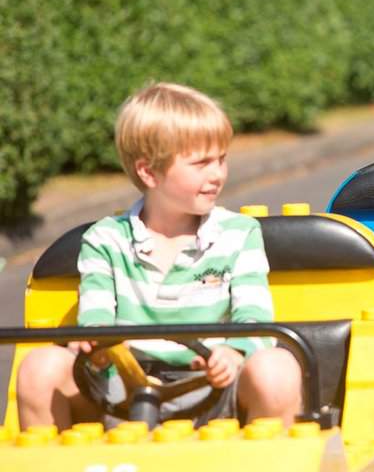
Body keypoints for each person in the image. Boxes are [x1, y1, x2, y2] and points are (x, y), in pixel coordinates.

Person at [16, 82, 301, 430]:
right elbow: (96, 318)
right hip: (123, 395)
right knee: (38, 367)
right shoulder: (105, 240)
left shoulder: (239, 234)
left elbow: (254, 316)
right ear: (148, 172)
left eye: (221, 160)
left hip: (216, 389)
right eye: (201, 163)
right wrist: (96, 345)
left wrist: (234, 352)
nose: (217, 175)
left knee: (277, 367)